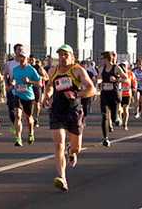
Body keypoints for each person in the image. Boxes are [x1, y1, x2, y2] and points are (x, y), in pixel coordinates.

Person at [42, 44, 96, 192]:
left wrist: (77, 95)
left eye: (66, 55)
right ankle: (62, 177)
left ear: (72, 56)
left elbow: (91, 89)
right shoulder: (53, 70)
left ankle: (71, 152)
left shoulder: (77, 70)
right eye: (60, 55)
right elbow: (49, 86)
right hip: (57, 111)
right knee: (58, 143)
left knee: (76, 148)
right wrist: (47, 96)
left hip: (74, 111)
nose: (62, 58)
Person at [8, 46, 40, 146]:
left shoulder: (31, 70)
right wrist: (12, 82)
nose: (21, 59)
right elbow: (12, 79)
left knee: (28, 118)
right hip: (17, 94)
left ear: (26, 58)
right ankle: (18, 138)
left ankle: (31, 133)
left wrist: (29, 81)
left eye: (23, 57)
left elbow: (39, 83)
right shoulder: (15, 69)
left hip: (28, 97)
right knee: (17, 115)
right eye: (19, 57)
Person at [98, 51, 124, 147]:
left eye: (102, 59)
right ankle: (105, 139)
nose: (101, 61)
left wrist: (116, 79)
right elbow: (99, 78)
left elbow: (126, 79)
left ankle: (117, 118)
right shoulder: (102, 69)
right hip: (104, 93)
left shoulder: (116, 68)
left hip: (114, 94)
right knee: (104, 116)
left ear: (106, 59)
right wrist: (99, 82)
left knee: (113, 119)